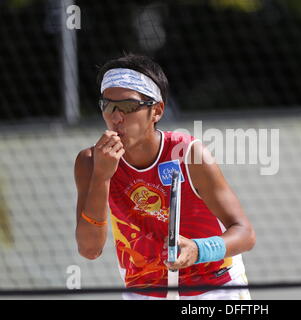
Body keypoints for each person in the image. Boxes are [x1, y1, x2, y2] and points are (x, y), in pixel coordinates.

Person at [74, 53, 256, 300]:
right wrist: (102, 178)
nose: (116, 117)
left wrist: (198, 250)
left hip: (214, 288)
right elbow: (89, 249)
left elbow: (245, 234)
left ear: (157, 110)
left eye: (128, 106)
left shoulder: (189, 154)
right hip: (144, 290)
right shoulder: (90, 163)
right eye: (108, 105)